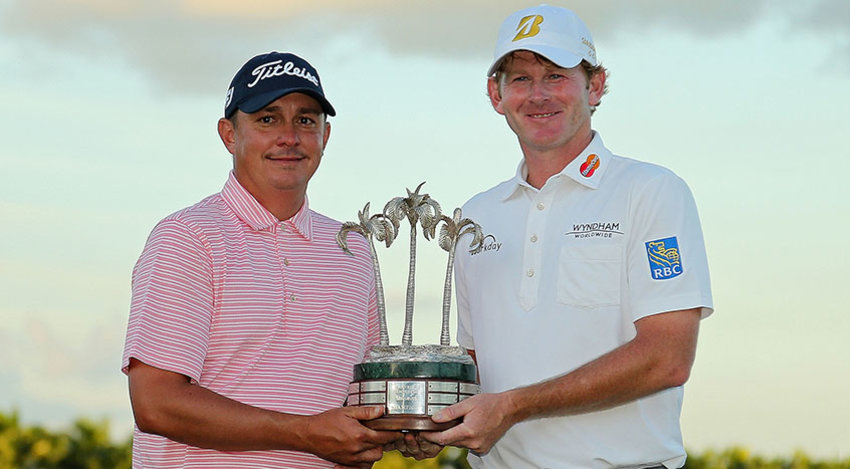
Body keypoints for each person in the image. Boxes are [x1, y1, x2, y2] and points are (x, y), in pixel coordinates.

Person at [423, 5, 714, 469]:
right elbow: (473, 366)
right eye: (520, 79)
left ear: (595, 85)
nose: (538, 95)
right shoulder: (477, 216)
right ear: (496, 95)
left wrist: (514, 407)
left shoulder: (651, 191)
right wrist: (425, 422)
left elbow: (667, 357)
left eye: (556, 76)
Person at [121, 51, 403, 469]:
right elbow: (156, 403)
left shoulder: (353, 248)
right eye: (267, 119)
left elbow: (359, 402)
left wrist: (410, 428)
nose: (289, 137)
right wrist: (305, 433)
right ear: (229, 134)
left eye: (305, 120)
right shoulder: (188, 238)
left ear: (325, 135)